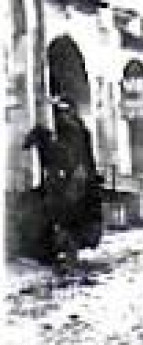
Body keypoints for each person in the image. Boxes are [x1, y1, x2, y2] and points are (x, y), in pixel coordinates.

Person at [22, 97, 102, 264]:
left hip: (75, 182)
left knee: (69, 217)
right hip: (73, 181)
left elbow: (72, 157)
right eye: (60, 112)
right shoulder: (76, 130)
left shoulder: (74, 131)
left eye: (64, 112)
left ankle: (66, 251)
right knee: (68, 219)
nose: (61, 116)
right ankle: (65, 250)